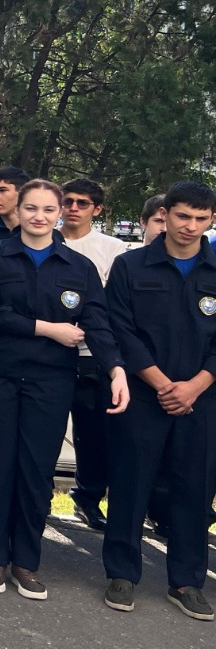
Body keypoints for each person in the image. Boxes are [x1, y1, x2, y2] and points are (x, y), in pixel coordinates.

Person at [0, 178, 127, 599]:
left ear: (59, 215)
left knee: (37, 471)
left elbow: (98, 324)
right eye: (31, 208)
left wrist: (116, 370)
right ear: (17, 211)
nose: (39, 216)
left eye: (48, 210)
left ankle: (27, 561)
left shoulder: (78, 267)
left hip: (51, 382)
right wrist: (47, 329)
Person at [102, 180, 216, 619]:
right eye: (182, 215)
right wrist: (163, 384)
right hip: (145, 395)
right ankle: (122, 573)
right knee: (131, 483)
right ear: (164, 214)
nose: (189, 226)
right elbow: (121, 330)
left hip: (201, 399)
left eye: (200, 218)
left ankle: (186, 581)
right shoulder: (132, 267)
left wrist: (194, 386)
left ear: (210, 221)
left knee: (194, 490)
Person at [59, 178, 132, 532]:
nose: (73, 208)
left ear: (97, 209)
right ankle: (36, 495)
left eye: (82, 203)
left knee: (94, 435)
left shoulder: (113, 248)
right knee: (44, 432)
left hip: (94, 354)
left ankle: (87, 497)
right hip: (48, 351)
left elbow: (115, 306)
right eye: (68, 201)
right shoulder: (45, 239)